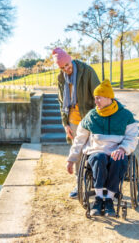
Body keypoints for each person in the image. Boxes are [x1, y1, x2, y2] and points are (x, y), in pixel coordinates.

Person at [66, 80, 138, 217]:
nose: (96, 101)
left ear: (109, 98)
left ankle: (110, 199)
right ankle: (99, 199)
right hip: (96, 152)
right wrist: (71, 159)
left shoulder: (126, 116)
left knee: (119, 159)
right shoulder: (91, 116)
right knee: (98, 158)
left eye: (98, 98)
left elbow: (132, 138)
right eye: (95, 98)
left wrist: (122, 149)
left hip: (118, 152)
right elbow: (79, 140)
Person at [52, 48, 100, 199]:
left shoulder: (87, 71)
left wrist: (99, 117)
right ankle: (80, 183)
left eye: (67, 64)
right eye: (62, 67)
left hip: (89, 118)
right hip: (72, 120)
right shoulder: (61, 78)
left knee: (93, 151)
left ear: (70, 59)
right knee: (77, 152)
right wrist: (65, 123)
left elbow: (98, 93)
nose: (66, 69)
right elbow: (62, 102)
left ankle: (95, 182)